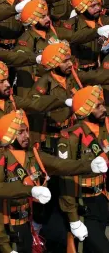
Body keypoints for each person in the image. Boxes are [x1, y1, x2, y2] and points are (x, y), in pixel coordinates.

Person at [0, 109, 107, 253]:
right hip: (8, 231)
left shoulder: (33, 155)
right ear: (8, 135)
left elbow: (60, 165)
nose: (26, 136)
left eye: (26, 131)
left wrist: (89, 165)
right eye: (20, 132)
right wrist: (5, 247)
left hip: (26, 226)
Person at [56, 85, 109, 252]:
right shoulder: (70, 138)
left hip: (102, 198)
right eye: (97, 106)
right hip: (82, 205)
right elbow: (66, 179)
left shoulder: (105, 130)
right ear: (85, 110)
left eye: (102, 104)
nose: (103, 109)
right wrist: (73, 219)